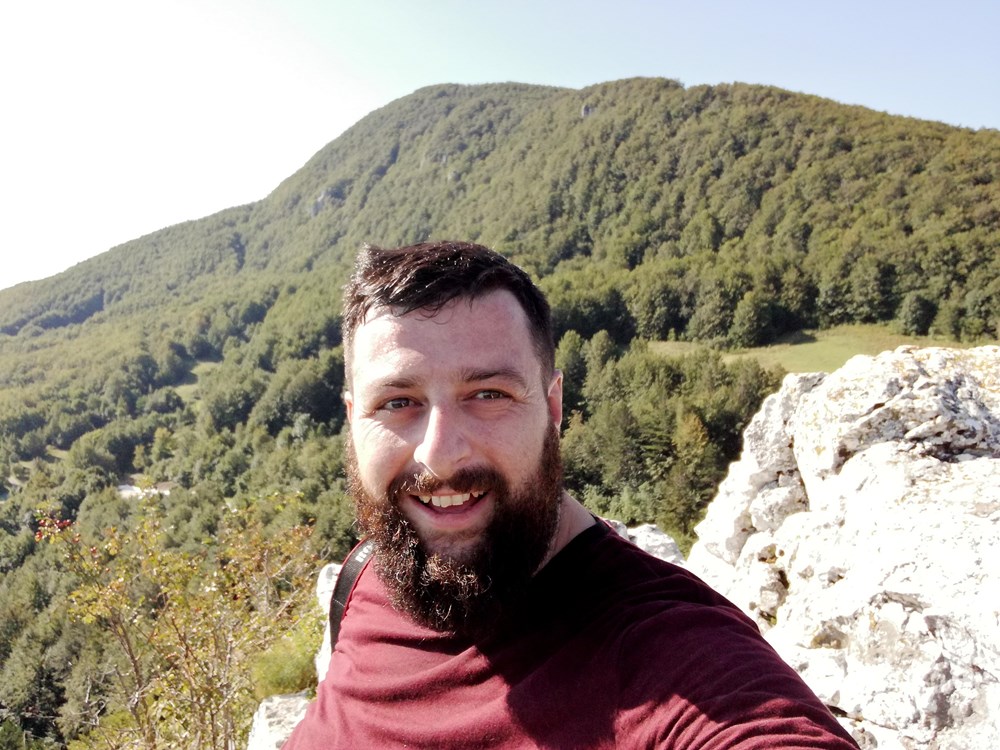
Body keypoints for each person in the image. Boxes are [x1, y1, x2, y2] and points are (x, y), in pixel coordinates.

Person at [283, 241, 859, 749]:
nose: (439, 454)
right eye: (397, 403)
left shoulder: (669, 655)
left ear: (553, 407)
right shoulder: (372, 574)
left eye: (488, 394)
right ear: (353, 421)